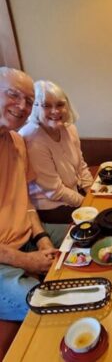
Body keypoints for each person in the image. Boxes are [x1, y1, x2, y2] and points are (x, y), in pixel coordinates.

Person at [0, 67, 64, 323]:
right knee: (50, 306)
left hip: (25, 237)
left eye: (28, 100)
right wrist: (25, 260)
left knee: (88, 235)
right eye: (13, 95)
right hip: (5, 258)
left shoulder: (16, 142)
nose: (22, 106)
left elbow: (25, 201)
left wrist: (41, 238)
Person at [19, 80, 93, 224]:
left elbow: (81, 166)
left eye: (60, 104)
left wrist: (92, 192)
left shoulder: (69, 128)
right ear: (34, 108)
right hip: (53, 207)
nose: (55, 111)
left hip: (75, 193)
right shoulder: (32, 138)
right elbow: (55, 191)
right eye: (46, 106)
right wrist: (88, 204)